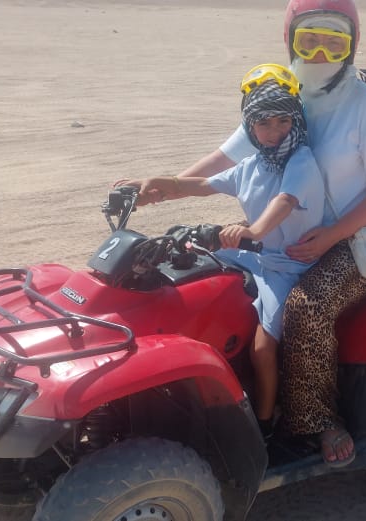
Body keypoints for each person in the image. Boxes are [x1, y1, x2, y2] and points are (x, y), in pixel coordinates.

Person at [129, 0, 366, 468]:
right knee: (198, 274)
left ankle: (317, 420)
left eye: (334, 43)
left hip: (353, 239)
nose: (320, 54)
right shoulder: (284, 94)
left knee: (306, 307)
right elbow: (225, 160)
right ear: (290, 39)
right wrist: (163, 188)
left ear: (352, 45)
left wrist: (330, 235)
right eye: (309, 40)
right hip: (285, 238)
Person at [115, 65, 326, 440]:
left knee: (263, 347)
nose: (275, 131)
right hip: (254, 254)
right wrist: (151, 185)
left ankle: (265, 424)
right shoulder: (252, 165)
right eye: (264, 123)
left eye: (283, 121)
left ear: (296, 120)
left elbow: (285, 200)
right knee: (186, 259)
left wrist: (252, 230)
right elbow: (199, 185)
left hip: (288, 265)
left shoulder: (302, 160)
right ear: (250, 126)